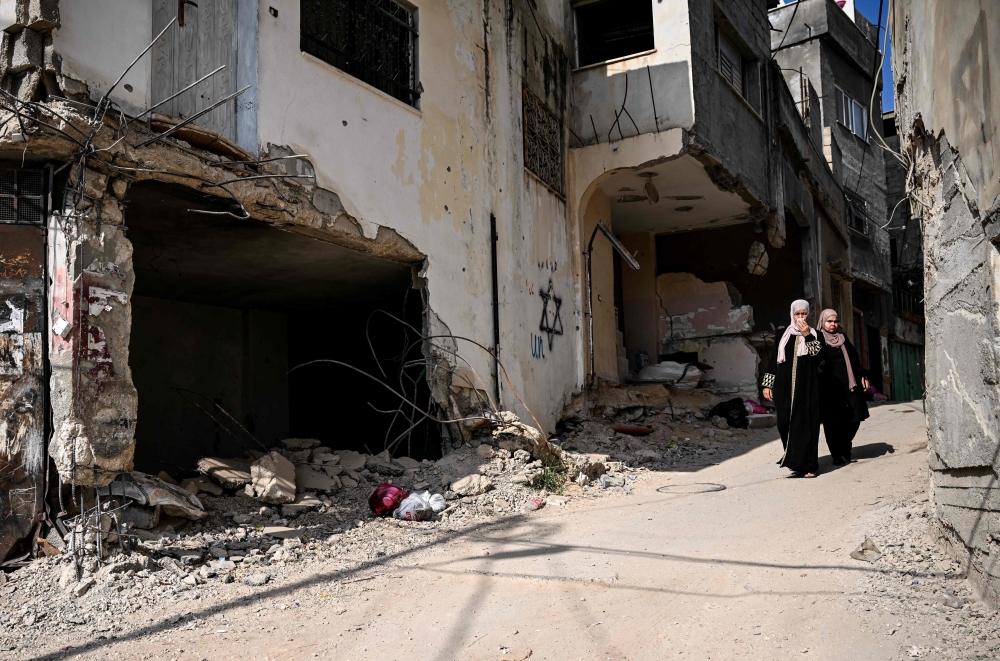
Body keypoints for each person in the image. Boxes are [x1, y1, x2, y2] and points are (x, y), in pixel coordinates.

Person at [762, 300, 823, 477]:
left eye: (804, 314)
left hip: (807, 386)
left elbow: (820, 358)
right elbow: (774, 360)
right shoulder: (782, 334)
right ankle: (794, 460)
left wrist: (807, 335)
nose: (801, 317)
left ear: (808, 314)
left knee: (807, 424)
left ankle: (809, 465)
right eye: (798, 314)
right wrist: (767, 384)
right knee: (783, 423)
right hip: (783, 385)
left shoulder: (815, 334)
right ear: (792, 314)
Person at [816, 308, 869, 465]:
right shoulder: (818, 339)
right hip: (830, 388)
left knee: (854, 419)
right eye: (829, 321)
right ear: (823, 322)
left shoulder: (842, 338)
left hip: (849, 385)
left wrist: (863, 375)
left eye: (835, 321)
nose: (833, 324)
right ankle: (837, 454)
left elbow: (854, 359)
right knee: (833, 423)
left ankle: (845, 446)